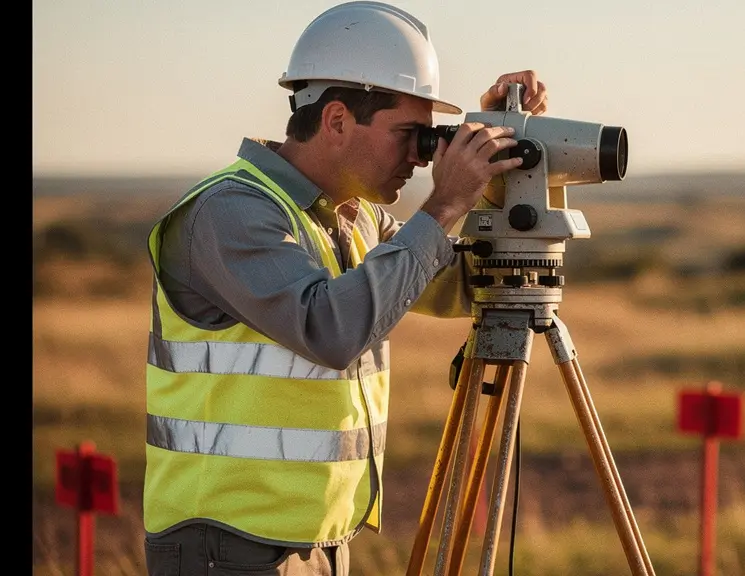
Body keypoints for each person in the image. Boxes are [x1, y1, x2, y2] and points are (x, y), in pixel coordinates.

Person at [141, 2, 548, 574]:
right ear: (335, 120)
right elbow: (329, 330)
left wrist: (498, 163)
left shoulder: (351, 217)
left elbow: (465, 288)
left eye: (429, 138)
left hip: (321, 543)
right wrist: (446, 201)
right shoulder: (230, 212)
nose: (419, 156)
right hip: (229, 547)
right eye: (409, 134)